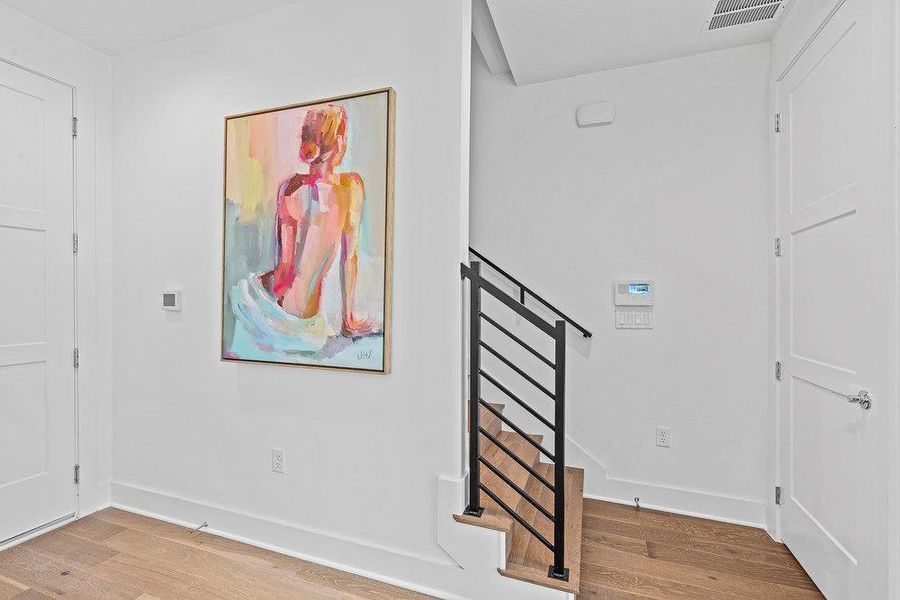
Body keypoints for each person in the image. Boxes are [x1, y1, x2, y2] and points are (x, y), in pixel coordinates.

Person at [261, 104, 375, 338]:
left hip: (284, 313)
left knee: (240, 291)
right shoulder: (352, 188)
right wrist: (348, 320)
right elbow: (349, 259)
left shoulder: (291, 188)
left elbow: (283, 274)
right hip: (309, 324)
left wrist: (257, 284)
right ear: (340, 143)